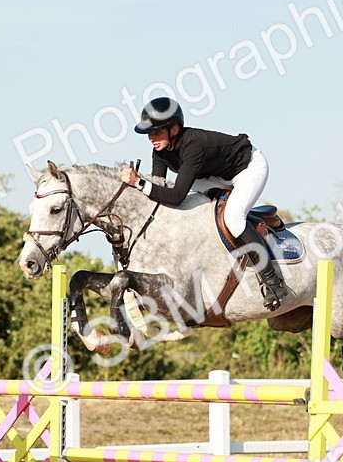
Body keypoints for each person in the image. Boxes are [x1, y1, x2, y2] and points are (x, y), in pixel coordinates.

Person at [119, 97, 290, 310]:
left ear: (174, 129)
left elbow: (176, 196)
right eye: (149, 133)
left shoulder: (193, 145)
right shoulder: (160, 151)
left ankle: (273, 281)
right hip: (213, 176)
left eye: (156, 132)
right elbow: (159, 188)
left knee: (234, 219)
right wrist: (135, 189)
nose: (151, 138)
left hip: (248, 169)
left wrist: (138, 182)